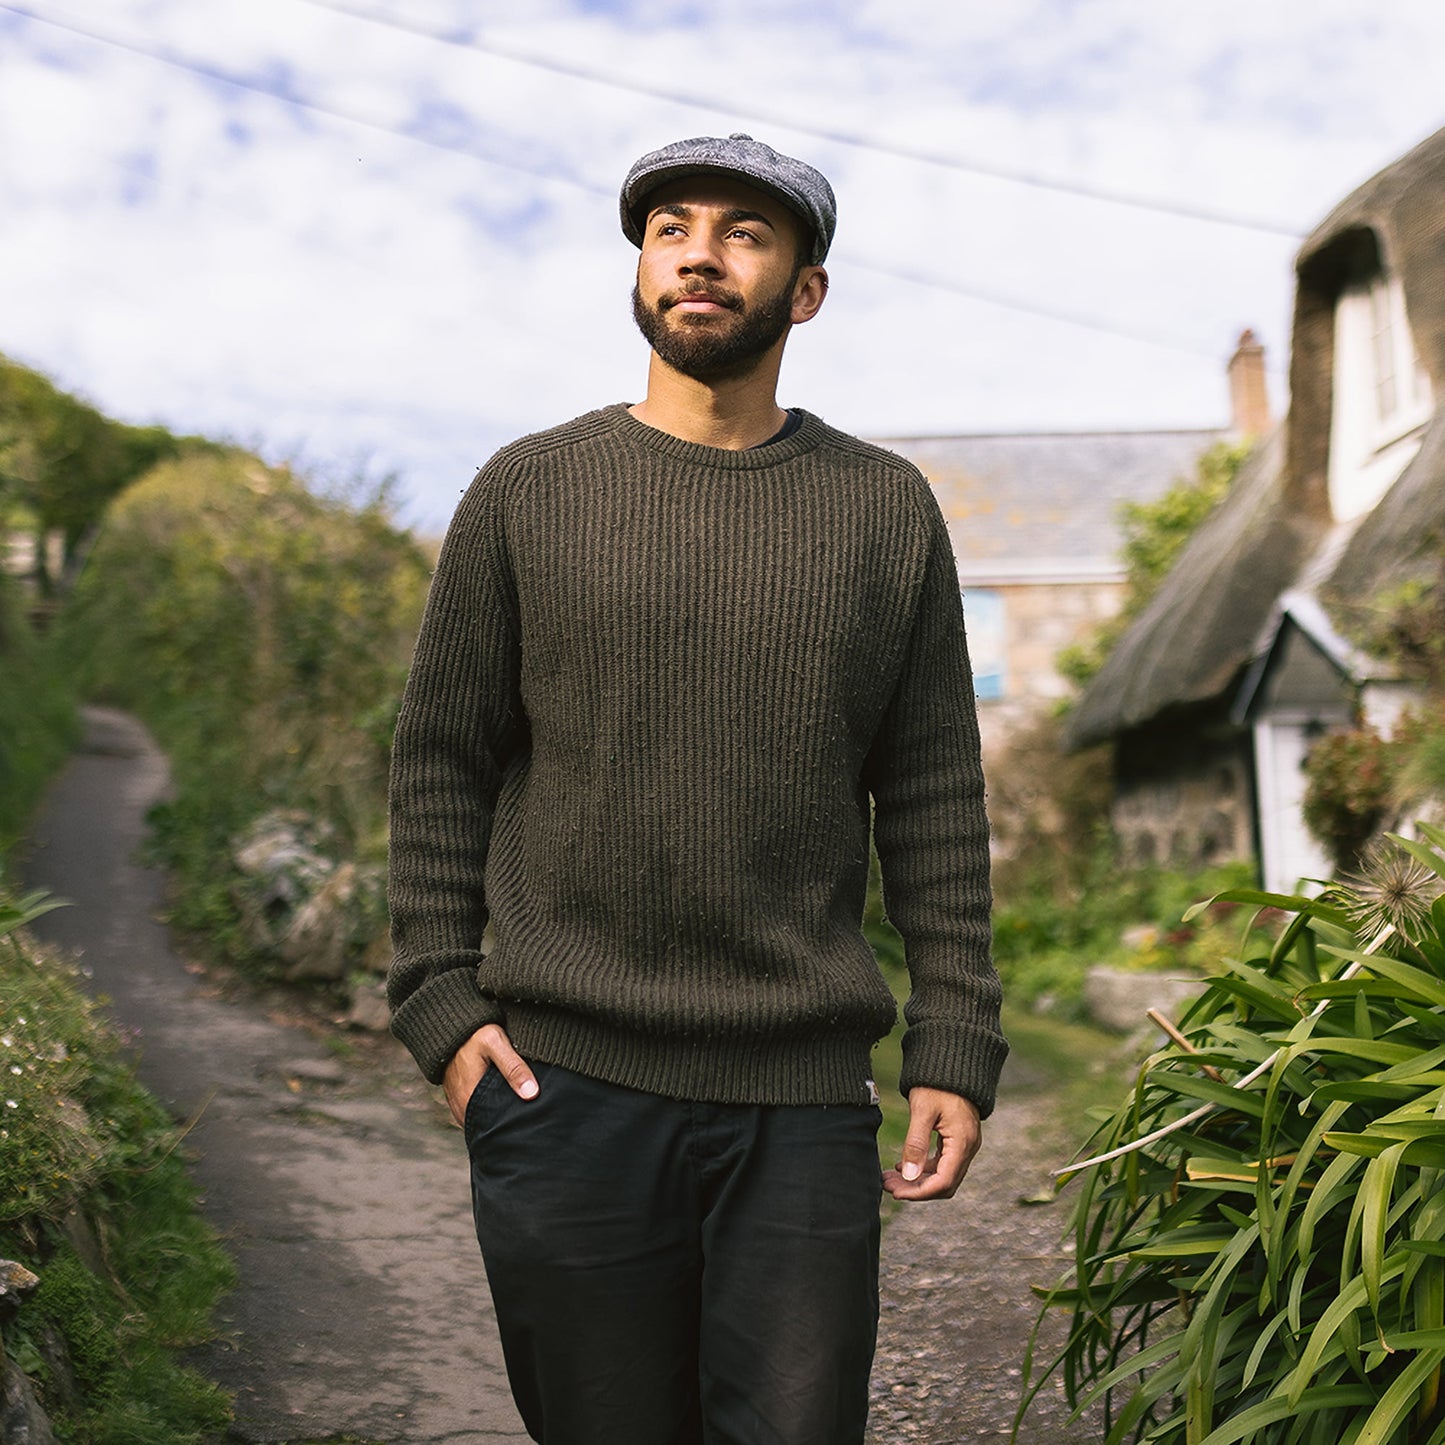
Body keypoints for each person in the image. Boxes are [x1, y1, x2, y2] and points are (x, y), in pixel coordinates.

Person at [386, 132, 1007, 1445]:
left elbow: (935, 790)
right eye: (671, 227)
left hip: (797, 1106)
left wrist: (951, 1033)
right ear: (640, 269)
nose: (699, 256)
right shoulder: (526, 491)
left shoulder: (883, 512)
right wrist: (441, 1005)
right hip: (562, 1090)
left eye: (742, 233)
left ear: (805, 288)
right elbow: (443, 756)